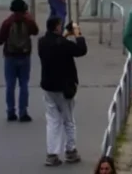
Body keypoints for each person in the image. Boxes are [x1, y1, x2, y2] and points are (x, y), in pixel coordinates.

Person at [38, 16, 87, 167]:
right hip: (64, 88)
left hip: (48, 87)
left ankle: (52, 154)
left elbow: (57, 44)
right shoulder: (64, 45)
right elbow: (81, 50)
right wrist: (78, 34)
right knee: (68, 121)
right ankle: (70, 151)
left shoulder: (42, 42)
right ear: (57, 27)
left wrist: (65, 35)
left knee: (52, 120)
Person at [0, 0, 39, 122]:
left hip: (10, 56)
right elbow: (35, 31)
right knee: (24, 84)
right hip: (25, 56)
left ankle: (10, 111)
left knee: (10, 85)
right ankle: (23, 112)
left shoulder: (7, 22)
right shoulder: (28, 21)